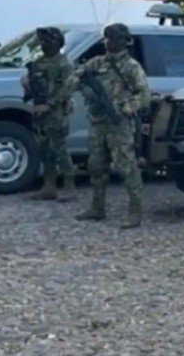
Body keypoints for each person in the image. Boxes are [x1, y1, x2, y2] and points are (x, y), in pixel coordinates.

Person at [59, 23, 150, 229]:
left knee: (127, 167)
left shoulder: (131, 66)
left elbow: (144, 95)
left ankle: (135, 212)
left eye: (113, 38)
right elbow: (75, 77)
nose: (108, 42)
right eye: (106, 38)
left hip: (120, 124)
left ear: (123, 41)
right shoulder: (97, 63)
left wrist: (126, 107)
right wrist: (80, 89)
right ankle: (97, 207)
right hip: (98, 123)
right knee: (96, 166)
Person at [20, 27, 76, 202]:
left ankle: (69, 188)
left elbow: (67, 89)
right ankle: (49, 187)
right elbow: (35, 89)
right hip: (39, 112)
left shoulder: (64, 64)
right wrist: (27, 86)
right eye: (42, 41)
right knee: (45, 151)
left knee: (61, 151)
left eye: (47, 41)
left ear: (57, 43)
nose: (43, 45)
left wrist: (50, 104)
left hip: (56, 113)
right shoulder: (38, 63)